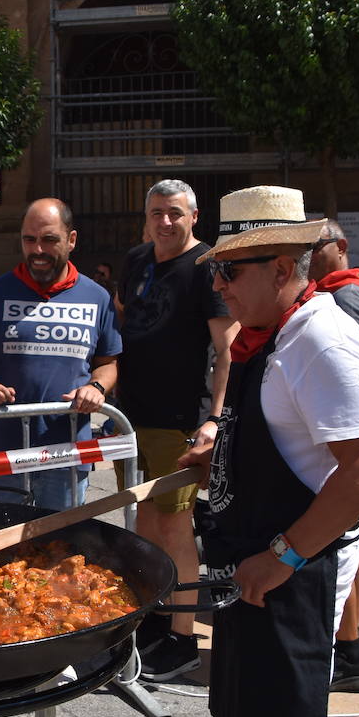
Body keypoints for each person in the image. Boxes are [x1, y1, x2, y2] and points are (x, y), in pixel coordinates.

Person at [181, 185, 359, 717]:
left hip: (302, 568)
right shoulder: (273, 332)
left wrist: (283, 557)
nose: (218, 284)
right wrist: (221, 453)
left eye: (229, 270)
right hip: (264, 559)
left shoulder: (323, 340)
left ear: (280, 268)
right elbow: (287, 433)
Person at [113, 179, 237, 681]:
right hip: (133, 414)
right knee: (146, 521)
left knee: (176, 526)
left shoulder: (207, 267)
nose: (165, 222)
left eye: (175, 213)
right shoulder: (137, 260)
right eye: (157, 213)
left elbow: (227, 350)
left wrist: (215, 419)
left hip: (181, 418)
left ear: (193, 216)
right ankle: (154, 618)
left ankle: (183, 636)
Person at [0, 198, 121, 509]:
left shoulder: (97, 297)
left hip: (68, 454)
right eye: (29, 239)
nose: (37, 250)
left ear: (71, 240)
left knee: (60, 547)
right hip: (3, 452)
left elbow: (108, 364)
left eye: (49, 240)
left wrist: (96, 387)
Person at [308, 220, 359, 694]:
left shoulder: (347, 298)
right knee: (353, 546)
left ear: (340, 247)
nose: (310, 255)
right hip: (344, 441)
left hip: (345, 444)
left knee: (346, 546)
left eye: (316, 246)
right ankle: (349, 647)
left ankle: (349, 649)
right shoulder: (337, 293)